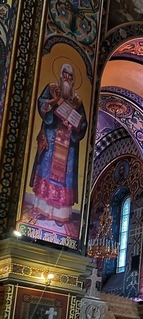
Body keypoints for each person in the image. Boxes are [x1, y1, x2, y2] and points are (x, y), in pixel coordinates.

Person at [30, 63, 88, 226]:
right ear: (61, 74)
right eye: (65, 74)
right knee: (47, 171)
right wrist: (51, 103)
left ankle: (60, 214)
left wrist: (75, 125)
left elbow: (84, 124)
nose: (67, 77)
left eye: (70, 75)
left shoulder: (77, 100)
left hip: (68, 143)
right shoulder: (52, 88)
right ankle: (43, 210)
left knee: (64, 179)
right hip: (52, 136)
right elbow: (41, 104)